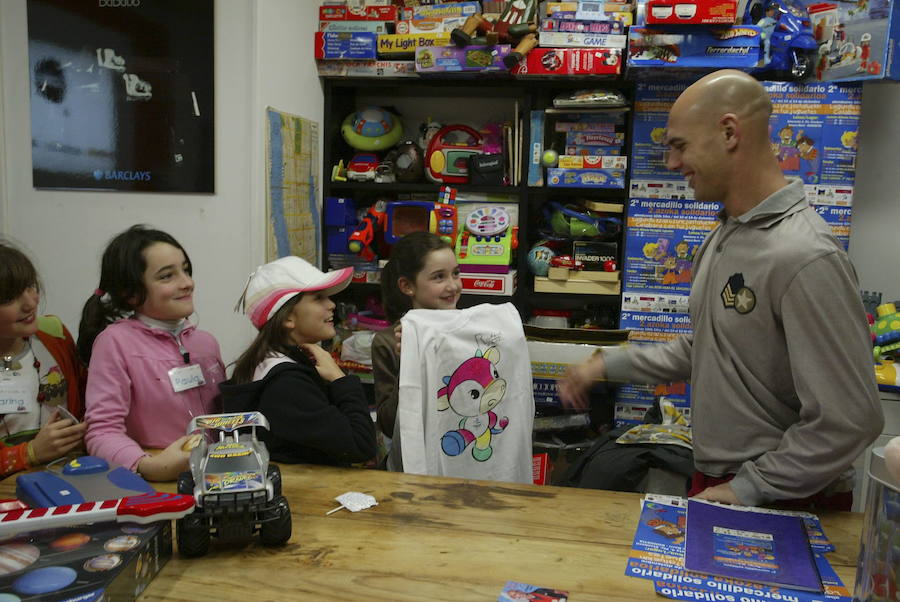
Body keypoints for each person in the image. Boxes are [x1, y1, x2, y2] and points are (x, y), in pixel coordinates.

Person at [559, 70, 883, 510]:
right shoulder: (725, 234)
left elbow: (851, 419)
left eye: (679, 145)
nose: (672, 164)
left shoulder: (805, 255)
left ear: (729, 132)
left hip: (785, 497)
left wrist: (749, 487)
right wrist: (605, 364)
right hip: (724, 481)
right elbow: (712, 346)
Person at [78, 225, 225, 481]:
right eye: (167, 276)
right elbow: (101, 431)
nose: (187, 283)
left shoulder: (206, 343)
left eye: (186, 270)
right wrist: (148, 466)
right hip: (157, 487)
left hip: (214, 478)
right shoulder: (115, 343)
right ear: (130, 293)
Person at [220, 255, 376, 466]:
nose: (331, 304)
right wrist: (340, 379)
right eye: (319, 298)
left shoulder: (272, 363)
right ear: (287, 318)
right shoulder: (287, 385)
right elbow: (361, 445)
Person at [373, 232, 462, 470]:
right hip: (415, 463)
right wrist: (409, 363)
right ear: (407, 286)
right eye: (439, 277)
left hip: (462, 455)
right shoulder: (388, 342)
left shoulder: (469, 333)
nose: (453, 285)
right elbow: (388, 422)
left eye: (455, 273)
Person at [0, 242, 87, 476]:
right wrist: (29, 453)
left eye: (30, 286)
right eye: (9, 298)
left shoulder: (54, 333)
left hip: (68, 476)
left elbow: (86, 395)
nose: (30, 302)